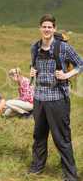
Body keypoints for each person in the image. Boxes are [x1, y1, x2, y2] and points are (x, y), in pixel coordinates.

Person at [29, 14, 83, 181]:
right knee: (39, 135)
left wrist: (67, 75)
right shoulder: (35, 47)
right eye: (44, 26)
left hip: (57, 98)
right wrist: (32, 71)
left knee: (62, 138)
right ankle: (37, 168)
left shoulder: (63, 48)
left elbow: (80, 64)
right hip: (39, 98)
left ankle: (70, 175)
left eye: (49, 27)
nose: (46, 29)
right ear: (40, 28)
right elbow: (34, 66)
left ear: (54, 29)